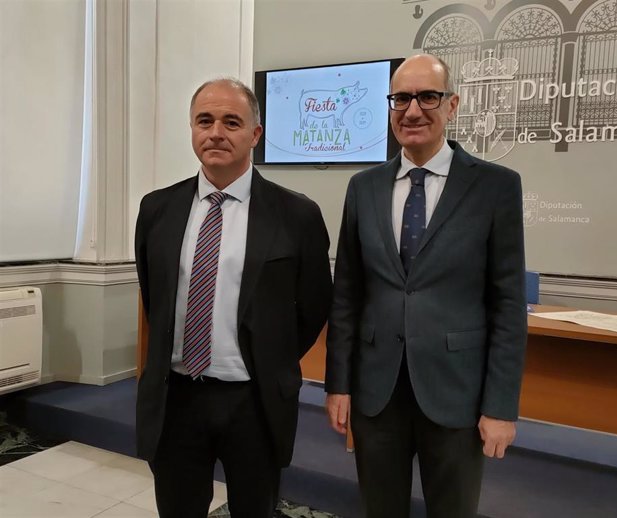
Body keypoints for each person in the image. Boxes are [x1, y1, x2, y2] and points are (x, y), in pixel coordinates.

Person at [325, 54, 527, 518]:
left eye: (427, 97)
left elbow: (508, 303)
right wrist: (338, 384)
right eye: (401, 98)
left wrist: (500, 407)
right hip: (377, 393)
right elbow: (347, 296)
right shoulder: (363, 188)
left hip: (456, 393)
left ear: (452, 105)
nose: (412, 111)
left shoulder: (496, 187)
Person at [134, 78, 333, 518]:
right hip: (177, 398)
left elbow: (315, 306)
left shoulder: (297, 214)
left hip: (255, 402)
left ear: (255, 135)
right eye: (204, 121)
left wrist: (270, 356)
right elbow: (156, 298)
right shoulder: (156, 210)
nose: (216, 132)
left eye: (231, 121)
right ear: (191, 130)